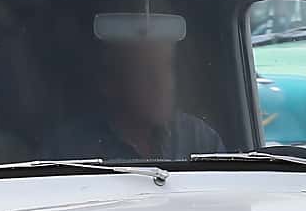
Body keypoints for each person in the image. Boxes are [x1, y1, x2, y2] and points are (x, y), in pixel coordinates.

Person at [51, 32, 223, 161]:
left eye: (166, 68)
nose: (160, 82)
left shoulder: (200, 139)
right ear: (110, 83)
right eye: (145, 71)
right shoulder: (69, 149)